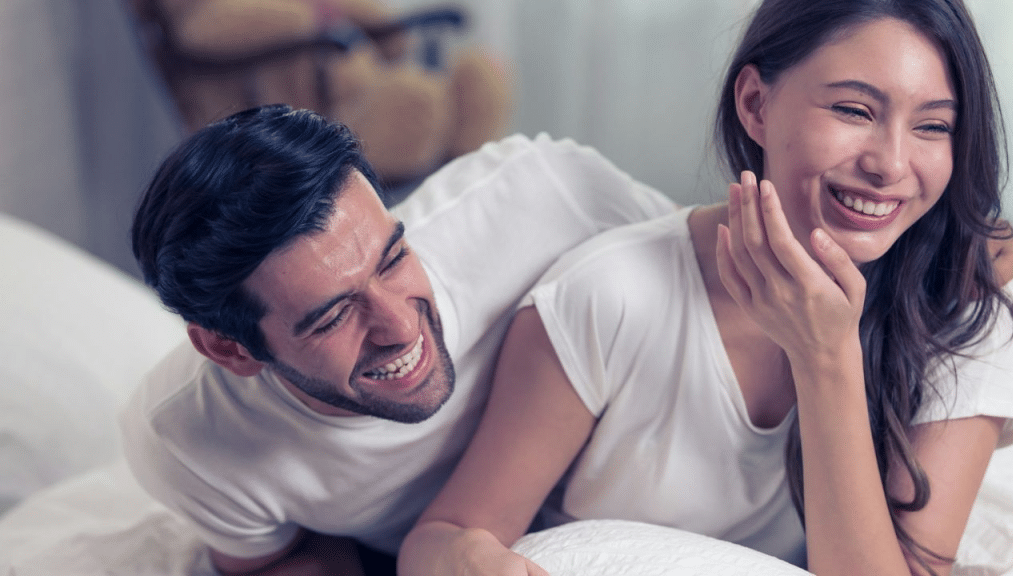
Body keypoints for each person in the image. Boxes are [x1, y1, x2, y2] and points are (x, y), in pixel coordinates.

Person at [397, 1, 1013, 575]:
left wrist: (825, 356)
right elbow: (445, 535)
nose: (889, 164)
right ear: (754, 103)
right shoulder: (611, 294)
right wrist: (475, 559)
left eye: (933, 126)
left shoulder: (964, 315)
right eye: (853, 110)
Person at [120, 104, 680, 575]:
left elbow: (719, 292)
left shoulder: (543, 192)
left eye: (392, 260)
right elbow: (291, 561)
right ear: (230, 350)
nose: (402, 327)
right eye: (333, 316)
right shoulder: (188, 442)